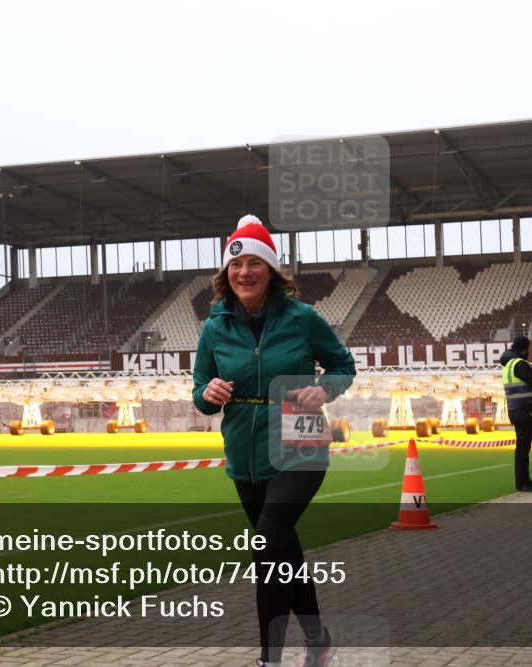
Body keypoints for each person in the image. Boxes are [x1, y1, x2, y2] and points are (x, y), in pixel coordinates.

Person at [192, 214, 355, 667]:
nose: (245, 272)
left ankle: (269, 660)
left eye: (254, 263)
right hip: (244, 453)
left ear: (271, 269)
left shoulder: (302, 319)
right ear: (227, 273)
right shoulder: (214, 328)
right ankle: (318, 639)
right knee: (283, 551)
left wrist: (325, 389)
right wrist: (207, 394)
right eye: (236, 264)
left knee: (265, 546)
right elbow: (200, 392)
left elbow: (343, 365)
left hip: (299, 441)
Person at [499, 335, 532, 492]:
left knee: (522, 448)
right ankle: (524, 483)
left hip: (515, 409)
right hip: (524, 410)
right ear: (524, 349)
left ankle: (523, 482)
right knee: (523, 449)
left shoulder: (508, 365)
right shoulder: (519, 364)